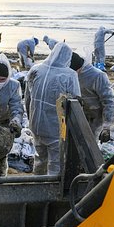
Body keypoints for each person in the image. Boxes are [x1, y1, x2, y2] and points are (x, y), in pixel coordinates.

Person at [25, 42, 81, 176]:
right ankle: (51, 190)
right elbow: (75, 103)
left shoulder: (35, 69)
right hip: (55, 128)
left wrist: (30, 117)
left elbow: (27, 99)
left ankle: (36, 185)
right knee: (56, 163)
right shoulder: (69, 75)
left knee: (39, 159)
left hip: (36, 124)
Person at [70, 52, 114, 142]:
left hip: (95, 117)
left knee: (91, 143)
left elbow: (108, 101)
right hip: (80, 113)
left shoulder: (97, 76)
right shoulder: (72, 75)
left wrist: (107, 126)